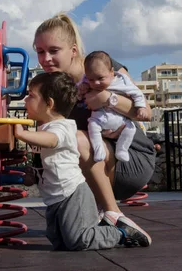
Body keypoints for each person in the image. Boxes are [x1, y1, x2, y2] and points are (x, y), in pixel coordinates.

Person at [33, 13, 155, 231]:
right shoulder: (54, 88)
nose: (45, 59)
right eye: (40, 52)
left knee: (77, 138)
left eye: (53, 50)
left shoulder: (100, 66)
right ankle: (97, 217)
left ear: (73, 50)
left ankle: (114, 215)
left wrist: (109, 98)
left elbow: (145, 112)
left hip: (129, 158)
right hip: (93, 165)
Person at [14, 71, 151, 250]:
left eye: (31, 96)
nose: (25, 100)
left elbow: (52, 140)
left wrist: (22, 134)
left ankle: (120, 233)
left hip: (72, 192)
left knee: (79, 239)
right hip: (55, 196)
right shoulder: (45, 128)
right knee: (58, 240)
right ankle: (99, 231)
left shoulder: (62, 126)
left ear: (49, 103)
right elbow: (44, 157)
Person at [78, 50, 147, 163]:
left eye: (100, 78)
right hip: (98, 118)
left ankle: (122, 149)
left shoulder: (121, 82)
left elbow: (137, 93)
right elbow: (79, 92)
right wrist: (82, 89)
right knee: (92, 126)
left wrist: (141, 107)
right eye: (91, 79)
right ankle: (99, 149)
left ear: (111, 72)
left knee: (131, 128)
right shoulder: (86, 83)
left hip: (121, 120)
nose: (96, 83)